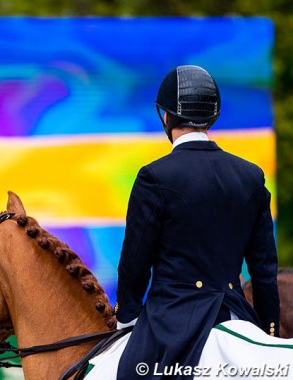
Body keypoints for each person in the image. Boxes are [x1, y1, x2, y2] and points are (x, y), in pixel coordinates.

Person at [115, 65, 280, 379]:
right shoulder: (250, 176)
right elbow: (264, 271)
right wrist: (268, 333)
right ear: (212, 117)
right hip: (238, 318)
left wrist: (127, 316)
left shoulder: (154, 177)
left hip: (171, 325)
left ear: (165, 117)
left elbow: (135, 261)